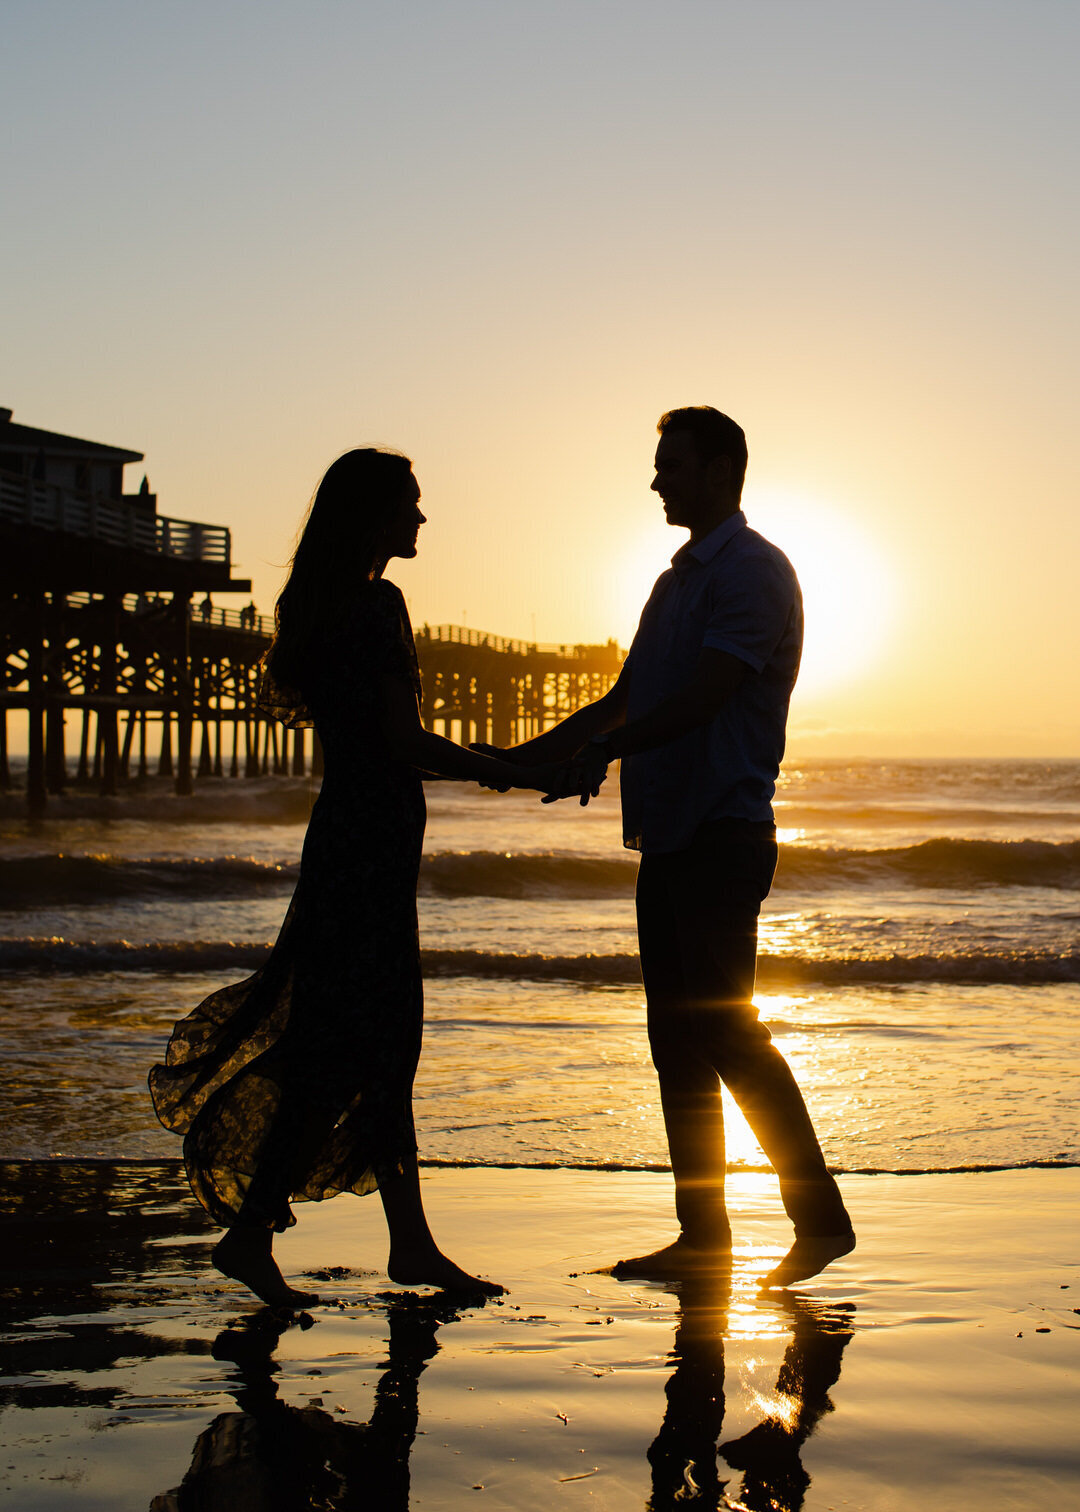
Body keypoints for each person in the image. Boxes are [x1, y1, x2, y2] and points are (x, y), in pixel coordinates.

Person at [149, 448, 566, 1308]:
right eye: (410, 507)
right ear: (375, 517)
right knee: (368, 1043)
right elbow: (401, 740)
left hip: (342, 834)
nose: (421, 521)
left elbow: (368, 738)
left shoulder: (313, 604)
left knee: (351, 1044)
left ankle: (342, 1238)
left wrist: (501, 765)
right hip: (372, 843)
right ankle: (302, 1235)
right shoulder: (378, 604)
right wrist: (508, 769)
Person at [478, 407, 854, 1287]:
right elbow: (626, 697)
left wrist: (603, 751)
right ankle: (703, 1236)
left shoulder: (754, 573)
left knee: (727, 1031)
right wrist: (517, 759)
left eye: (672, 465)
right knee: (675, 1040)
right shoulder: (672, 582)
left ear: (722, 468)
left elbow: (708, 696)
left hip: (724, 829)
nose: (657, 481)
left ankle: (821, 1218)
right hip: (669, 834)